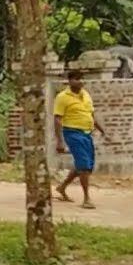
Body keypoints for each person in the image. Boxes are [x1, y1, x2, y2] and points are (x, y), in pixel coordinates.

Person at [53, 70, 106, 209]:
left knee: (86, 165)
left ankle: (62, 187)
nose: (80, 81)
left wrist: (102, 129)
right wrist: (60, 140)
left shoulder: (86, 95)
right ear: (69, 81)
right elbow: (58, 119)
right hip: (72, 133)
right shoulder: (62, 97)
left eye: (81, 79)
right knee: (84, 166)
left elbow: (91, 114)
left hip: (86, 134)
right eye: (76, 79)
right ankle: (87, 198)